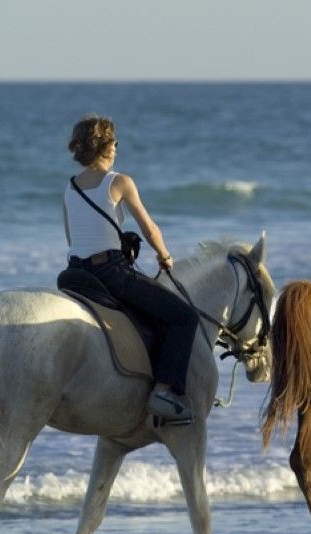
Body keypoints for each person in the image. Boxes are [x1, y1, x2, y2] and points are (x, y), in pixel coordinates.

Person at [62, 115, 197, 422]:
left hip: (75, 274)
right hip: (111, 273)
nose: (117, 148)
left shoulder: (70, 188)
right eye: (115, 142)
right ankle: (164, 393)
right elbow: (149, 229)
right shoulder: (119, 182)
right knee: (183, 316)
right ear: (107, 146)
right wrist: (164, 255)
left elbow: (73, 238)